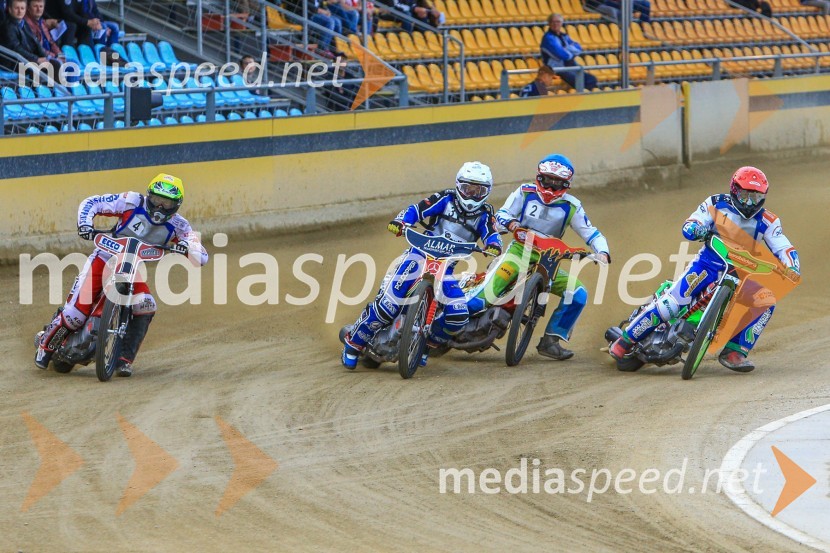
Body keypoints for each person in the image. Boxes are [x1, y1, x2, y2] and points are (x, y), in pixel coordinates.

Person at [609, 166, 800, 372]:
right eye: (745, 195)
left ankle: (735, 352)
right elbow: (691, 223)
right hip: (706, 266)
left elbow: (784, 247)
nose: (749, 203)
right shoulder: (716, 203)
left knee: (766, 301)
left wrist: (792, 266)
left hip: (741, 277)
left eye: (756, 197)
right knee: (672, 303)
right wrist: (695, 228)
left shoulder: (769, 221)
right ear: (734, 190)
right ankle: (626, 340)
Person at [34, 174, 209, 377]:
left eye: (166, 203)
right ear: (148, 195)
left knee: (147, 305)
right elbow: (93, 202)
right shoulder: (132, 201)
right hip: (104, 257)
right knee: (75, 315)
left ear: (176, 205)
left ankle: (124, 360)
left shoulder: (180, 226)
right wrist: (85, 224)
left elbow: (202, 256)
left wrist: (186, 247)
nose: (160, 207)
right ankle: (45, 347)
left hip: (132, 269)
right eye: (156, 200)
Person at [341, 161, 503, 368]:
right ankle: (353, 344)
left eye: (478, 191)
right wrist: (401, 222)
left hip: (446, 267)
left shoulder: (486, 214)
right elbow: (417, 210)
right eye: (467, 188)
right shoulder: (445, 198)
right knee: (387, 306)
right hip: (419, 255)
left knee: (458, 315)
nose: (471, 195)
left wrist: (494, 245)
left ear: (487, 192)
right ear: (458, 185)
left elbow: (492, 234)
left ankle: (425, 345)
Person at [471, 154, 610, 360]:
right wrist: (511, 224)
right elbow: (501, 214)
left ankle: (551, 341)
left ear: (566, 184)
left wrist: (603, 252)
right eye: (547, 180)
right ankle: (449, 326)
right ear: (539, 177)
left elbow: (592, 233)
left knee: (578, 294)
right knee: (483, 297)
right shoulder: (524, 192)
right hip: (518, 252)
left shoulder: (572, 206)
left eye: (557, 183)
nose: (551, 187)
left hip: (549, 259)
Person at [540, 13, 598, 91]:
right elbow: (562, 55)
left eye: (558, 22)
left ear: (561, 23)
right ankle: (582, 96)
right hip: (556, 68)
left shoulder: (564, 36)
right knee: (579, 81)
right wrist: (570, 51)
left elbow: (578, 48)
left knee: (592, 79)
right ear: (549, 23)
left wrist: (565, 49)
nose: (555, 24)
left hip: (570, 65)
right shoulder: (548, 38)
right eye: (553, 22)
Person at [1, 0, 60, 72]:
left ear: (25, 10)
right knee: (49, 67)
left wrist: (46, 56)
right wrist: (36, 59)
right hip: (13, 63)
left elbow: (35, 41)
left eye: (22, 8)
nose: (19, 11)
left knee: (55, 63)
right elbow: (17, 49)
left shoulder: (23, 22)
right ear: (10, 9)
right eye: (16, 8)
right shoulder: (8, 27)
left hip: (25, 59)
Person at [55, 0, 119, 47]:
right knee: (102, 27)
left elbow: (95, 11)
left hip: (90, 20)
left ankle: (112, 53)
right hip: (61, 21)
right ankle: (101, 56)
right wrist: (90, 22)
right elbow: (68, 13)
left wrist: (98, 22)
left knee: (114, 26)